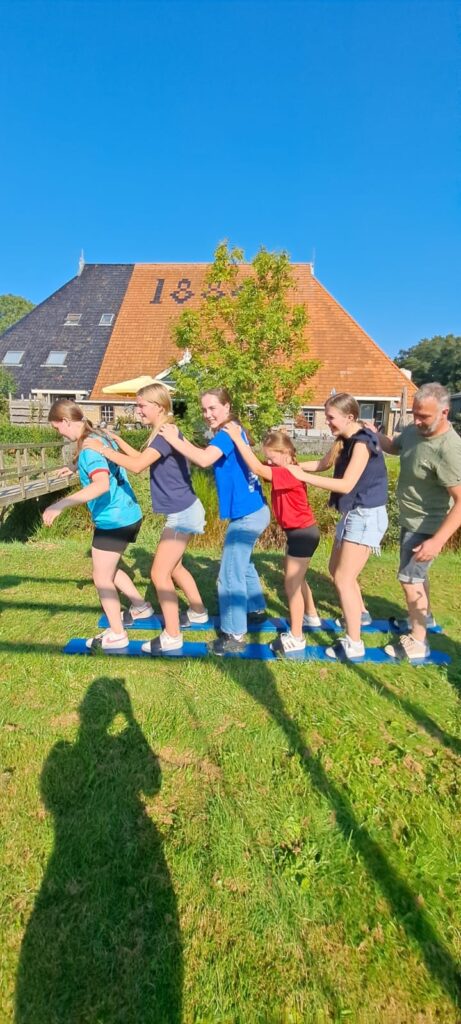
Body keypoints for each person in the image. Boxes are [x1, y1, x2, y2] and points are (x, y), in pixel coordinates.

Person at [83, 383, 207, 654]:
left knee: (159, 574)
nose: (137, 410)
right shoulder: (164, 431)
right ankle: (198, 612)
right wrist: (117, 441)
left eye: (141, 405)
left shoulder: (164, 434)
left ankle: (172, 636)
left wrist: (104, 450)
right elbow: (142, 457)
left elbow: (138, 466)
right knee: (175, 568)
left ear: (159, 407)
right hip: (186, 509)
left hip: (182, 513)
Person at [160, 388, 270, 655]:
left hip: (248, 516)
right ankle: (255, 609)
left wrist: (174, 438)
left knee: (229, 575)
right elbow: (207, 453)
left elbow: (203, 459)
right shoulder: (234, 429)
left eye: (212, 408)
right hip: (256, 510)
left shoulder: (226, 433)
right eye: (204, 409)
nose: (207, 414)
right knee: (242, 563)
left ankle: (234, 635)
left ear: (227, 406)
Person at [292, 392, 388, 662]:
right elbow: (323, 465)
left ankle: (354, 643)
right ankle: (361, 614)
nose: (327, 422)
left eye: (331, 417)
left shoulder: (362, 443)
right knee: (336, 570)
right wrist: (291, 467)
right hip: (353, 513)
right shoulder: (344, 440)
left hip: (366, 516)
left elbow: (346, 485)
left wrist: (302, 478)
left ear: (350, 417)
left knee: (344, 578)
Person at [43, 400, 145, 650]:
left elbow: (101, 485)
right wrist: (73, 468)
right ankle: (141, 607)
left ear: (66, 421)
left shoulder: (89, 450)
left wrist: (60, 505)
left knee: (101, 577)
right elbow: (101, 462)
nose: (59, 433)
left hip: (114, 520)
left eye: (57, 428)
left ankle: (117, 634)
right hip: (129, 513)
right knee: (108, 567)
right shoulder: (98, 436)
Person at [371, 382, 461, 662]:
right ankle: (425, 617)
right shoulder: (413, 431)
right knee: (418, 577)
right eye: (415, 414)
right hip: (410, 519)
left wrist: (437, 541)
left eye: (424, 416)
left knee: (409, 579)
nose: (417, 421)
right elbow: (394, 447)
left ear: (444, 413)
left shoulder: (449, 449)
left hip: (428, 525)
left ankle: (418, 641)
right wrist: (373, 433)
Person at [223, 422, 321, 656]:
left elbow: (257, 468)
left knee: (292, 585)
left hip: (303, 533)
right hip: (299, 532)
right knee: (296, 577)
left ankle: (296, 637)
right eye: (267, 458)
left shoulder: (288, 472)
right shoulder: (285, 467)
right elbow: (260, 468)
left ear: (286, 453)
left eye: (271, 457)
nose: (268, 462)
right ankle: (312, 616)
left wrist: (237, 438)